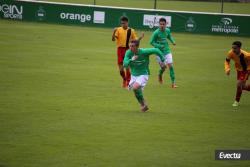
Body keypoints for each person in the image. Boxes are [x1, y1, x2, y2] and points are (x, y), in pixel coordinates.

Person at [123, 40, 165, 112]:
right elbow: (125, 64)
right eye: (129, 46)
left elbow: (156, 50)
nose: (130, 48)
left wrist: (162, 60)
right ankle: (143, 104)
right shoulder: (128, 53)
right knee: (135, 91)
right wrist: (131, 60)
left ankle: (143, 104)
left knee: (135, 87)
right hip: (134, 75)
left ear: (137, 47)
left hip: (143, 74)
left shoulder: (144, 52)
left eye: (132, 46)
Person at [112, 16, 144, 88]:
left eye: (124, 23)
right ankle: (124, 79)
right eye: (121, 23)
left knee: (127, 66)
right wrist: (113, 32)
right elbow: (113, 39)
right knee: (121, 70)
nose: (123, 24)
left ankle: (128, 82)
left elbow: (136, 40)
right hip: (120, 50)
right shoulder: (118, 30)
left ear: (127, 23)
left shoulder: (131, 30)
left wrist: (140, 37)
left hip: (128, 50)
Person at [149, 17, 177, 88]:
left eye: (163, 24)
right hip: (159, 53)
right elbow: (151, 42)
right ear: (159, 24)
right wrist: (159, 46)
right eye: (160, 24)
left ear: (166, 24)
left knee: (170, 66)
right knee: (164, 68)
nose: (162, 25)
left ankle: (173, 83)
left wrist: (173, 41)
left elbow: (169, 36)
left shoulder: (167, 30)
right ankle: (160, 74)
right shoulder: (156, 32)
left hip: (167, 51)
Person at [224, 41, 250, 107]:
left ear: (239, 48)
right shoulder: (231, 53)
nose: (233, 50)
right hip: (239, 70)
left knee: (239, 84)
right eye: (232, 48)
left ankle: (236, 101)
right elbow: (227, 61)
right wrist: (227, 69)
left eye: (235, 48)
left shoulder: (246, 55)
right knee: (242, 86)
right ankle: (236, 101)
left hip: (247, 70)